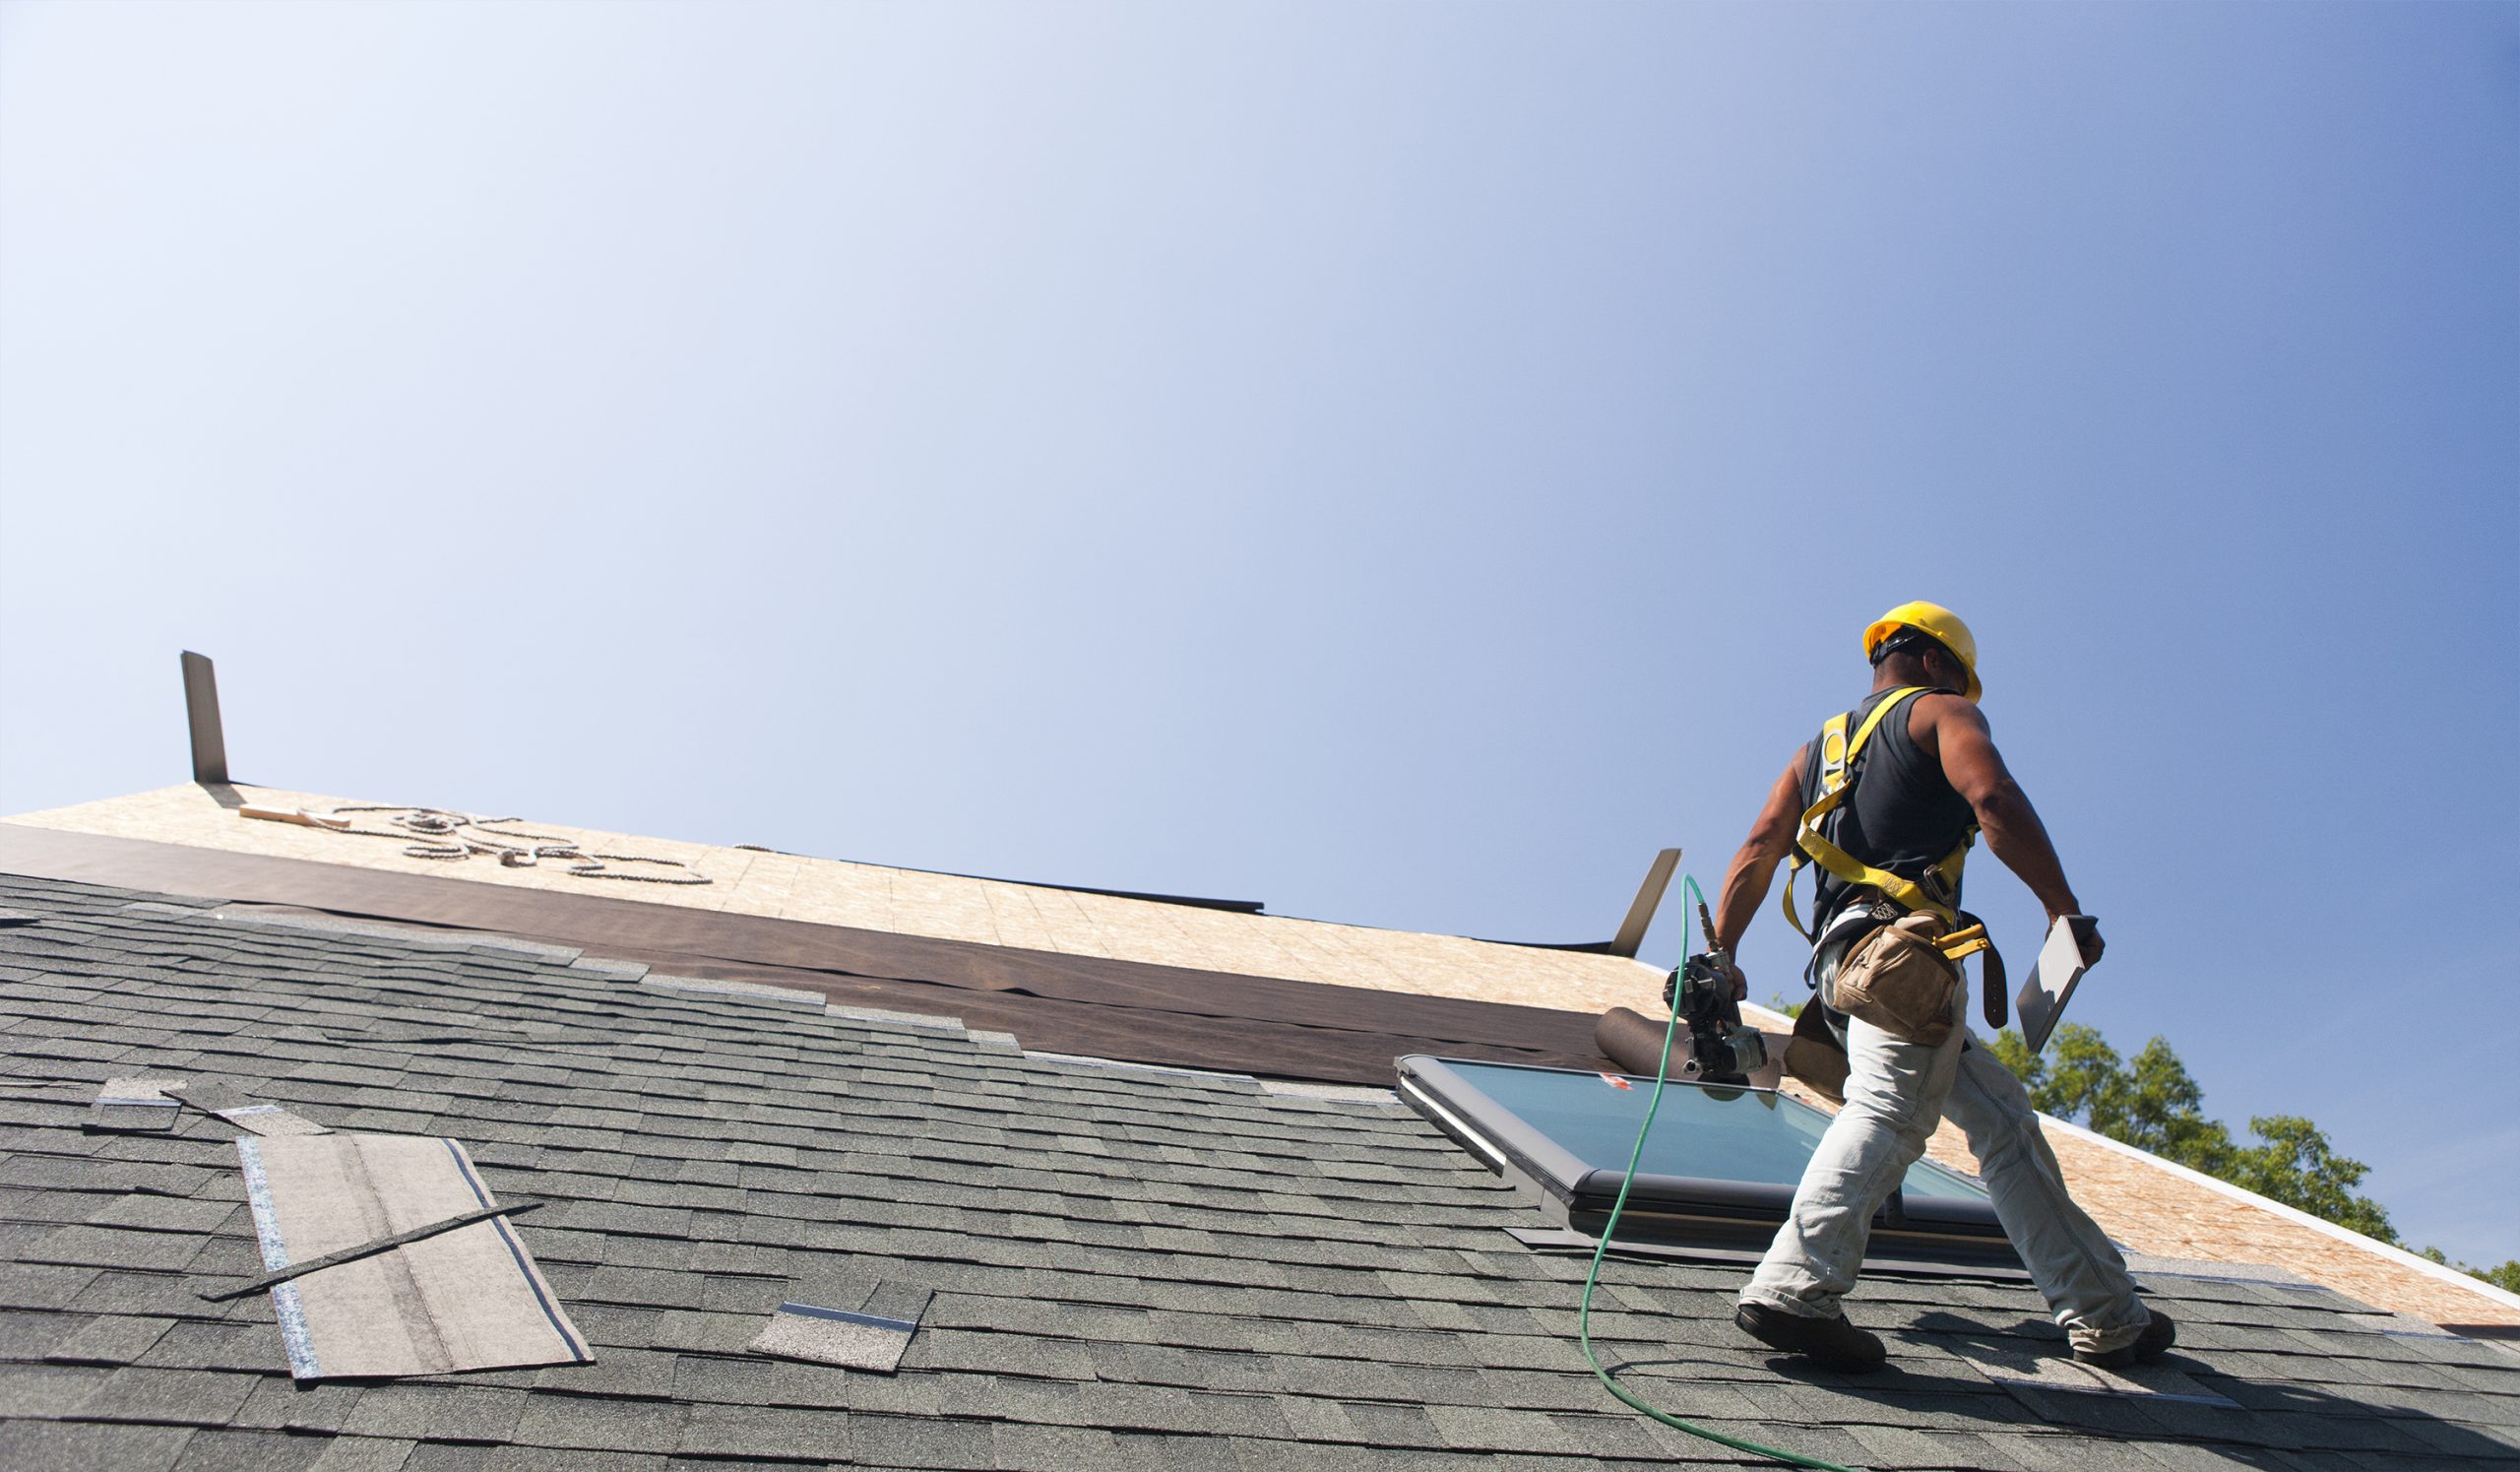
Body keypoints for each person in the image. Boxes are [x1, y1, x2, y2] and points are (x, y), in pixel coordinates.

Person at [1702, 601, 2174, 1374]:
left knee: (2002, 1120)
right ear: (1931, 661)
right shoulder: (1940, 712)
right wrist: (2061, 909)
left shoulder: (1814, 750)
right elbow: (1993, 800)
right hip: (1902, 957)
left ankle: (2106, 1311)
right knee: (1889, 1109)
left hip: (1842, 965)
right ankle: (1795, 1286)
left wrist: (1722, 953)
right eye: (1962, 676)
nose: (1967, 693)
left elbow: (1758, 846)